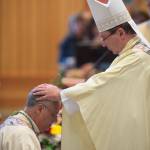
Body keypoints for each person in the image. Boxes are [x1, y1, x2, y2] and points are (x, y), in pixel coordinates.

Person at [33, 0, 150, 150]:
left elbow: (102, 84)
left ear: (120, 33)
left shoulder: (136, 58)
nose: (102, 43)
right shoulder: (133, 53)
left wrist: (61, 94)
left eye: (104, 37)